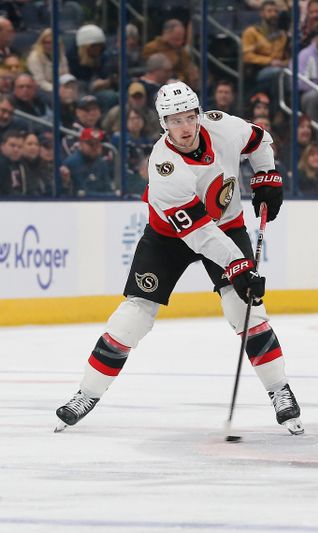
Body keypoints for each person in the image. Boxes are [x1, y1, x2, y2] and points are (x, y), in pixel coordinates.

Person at [54, 82, 304, 435]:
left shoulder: (224, 127)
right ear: (163, 124)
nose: (185, 128)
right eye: (175, 121)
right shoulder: (164, 167)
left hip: (227, 225)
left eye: (190, 117)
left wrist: (267, 176)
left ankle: (280, 391)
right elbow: (200, 235)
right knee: (132, 317)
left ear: (200, 115)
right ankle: (86, 393)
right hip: (169, 237)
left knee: (245, 309)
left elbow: (260, 140)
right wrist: (240, 266)